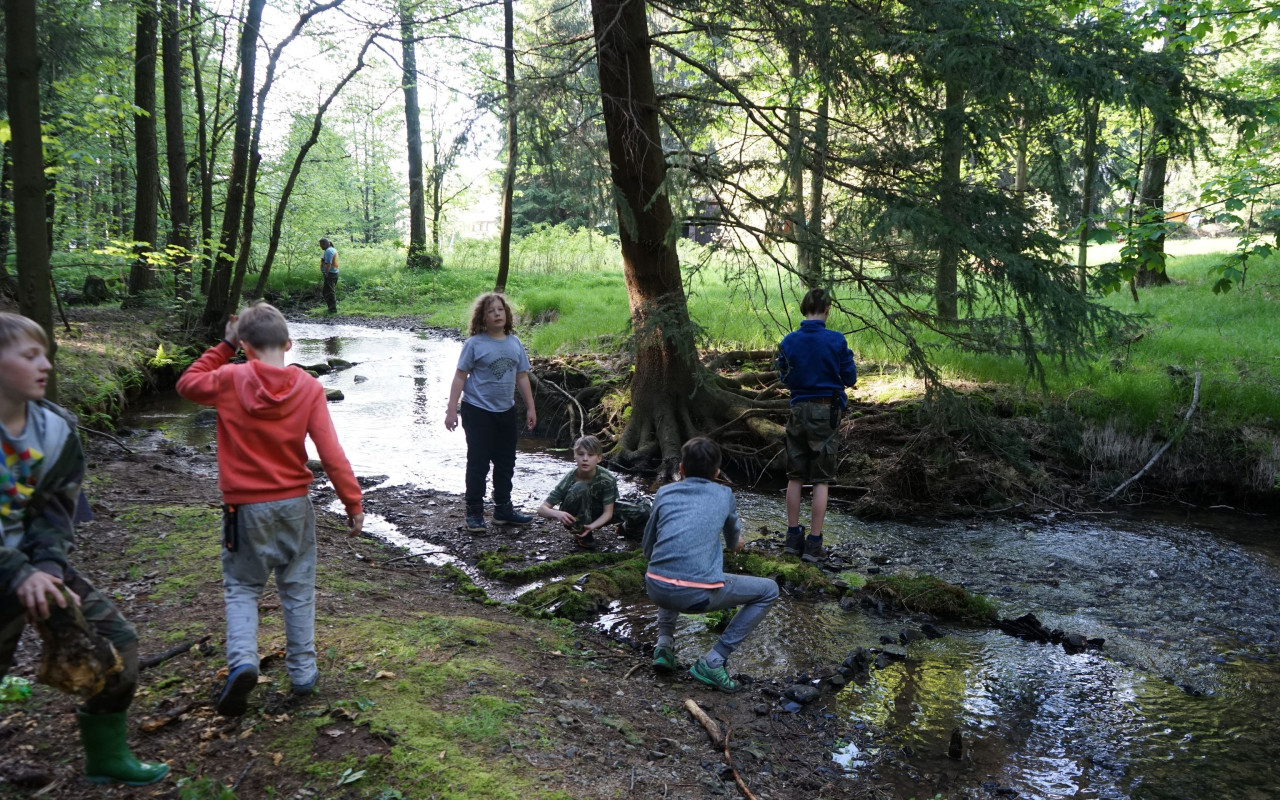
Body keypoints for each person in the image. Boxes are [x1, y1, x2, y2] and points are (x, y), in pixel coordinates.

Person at [0, 313, 169, 785]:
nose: (45, 367)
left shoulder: (56, 429)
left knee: (118, 645)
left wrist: (48, 567)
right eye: (29, 356)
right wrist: (19, 573)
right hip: (11, 570)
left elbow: (55, 507)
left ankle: (108, 759)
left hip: (34, 567)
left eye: (46, 355)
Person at [176, 303, 363, 716]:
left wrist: (223, 346)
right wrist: (353, 501)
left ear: (245, 346)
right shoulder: (309, 387)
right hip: (295, 506)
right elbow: (330, 452)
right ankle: (302, 673)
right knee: (297, 587)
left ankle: (243, 661)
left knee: (242, 587)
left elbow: (187, 385)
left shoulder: (229, 377)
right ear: (289, 343)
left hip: (243, 508)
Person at [642, 437, 778, 693]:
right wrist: (739, 542)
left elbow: (648, 546)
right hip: (696, 596)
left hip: (655, 587)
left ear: (681, 469)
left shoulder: (664, 491)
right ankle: (714, 661)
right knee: (769, 590)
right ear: (717, 473)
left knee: (671, 563)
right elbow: (732, 542)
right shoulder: (724, 493)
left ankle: (664, 645)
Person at [444, 292, 537, 533]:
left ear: (507, 314)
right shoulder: (474, 344)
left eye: (500, 310)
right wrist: (452, 409)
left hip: (506, 411)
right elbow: (459, 377)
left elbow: (522, 376)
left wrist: (530, 407)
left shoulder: (514, 343)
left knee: (506, 462)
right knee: (479, 461)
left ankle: (502, 510)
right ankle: (474, 512)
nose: (497, 314)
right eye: (491, 311)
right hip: (477, 411)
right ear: (482, 318)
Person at [776, 287, 857, 562]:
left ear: (804, 308)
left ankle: (791, 537)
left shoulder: (789, 341)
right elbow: (850, 378)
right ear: (827, 309)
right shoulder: (836, 340)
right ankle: (814, 543)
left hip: (798, 410)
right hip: (827, 410)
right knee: (821, 478)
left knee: (795, 476)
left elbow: (784, 378)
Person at [537, 435, 650, 549]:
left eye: (590, 455)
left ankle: (625, 529)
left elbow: (608, 513)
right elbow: (542, 509)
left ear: (599, 458)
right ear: (575, 456)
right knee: (580, 487)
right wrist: (558, 514)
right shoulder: (570, 477)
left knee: (644, 511)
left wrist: (592, 526)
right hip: (574, 516)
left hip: (599, 512)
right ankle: (581, 534)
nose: (585, 459)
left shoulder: (607, 478)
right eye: (581, 454)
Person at [319, 238, 339, 314]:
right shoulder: (332, 249)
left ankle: (332, 309)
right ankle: (331, 308)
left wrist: (326, 274)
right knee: (326, 291)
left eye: (321, 245)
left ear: (324, 244)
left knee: (330, 292)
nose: (321, 247)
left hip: (330, 274)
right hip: (334, 273)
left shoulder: (328, 251)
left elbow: (328, 264)